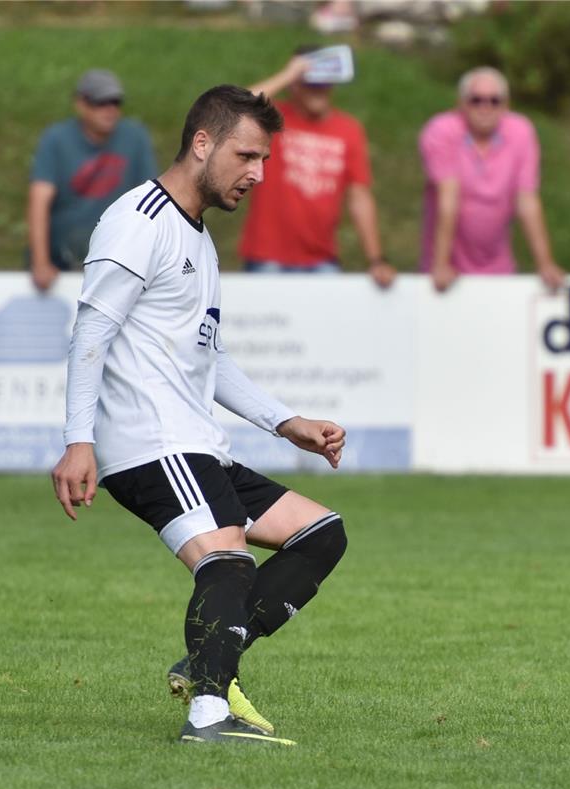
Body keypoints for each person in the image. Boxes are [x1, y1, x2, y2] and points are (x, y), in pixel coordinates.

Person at [50, 85, 348, 746]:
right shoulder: (140, 220)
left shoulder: (199, 239)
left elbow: (208, 357)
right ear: (203, 143)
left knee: (321, 533)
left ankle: (209, 663)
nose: (259, 174)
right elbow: (90, 332)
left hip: (194, 443)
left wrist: (284, 421)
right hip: (152, 442)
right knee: (229, 562)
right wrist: (78, 441)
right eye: (247, 155)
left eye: (264, 159)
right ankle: (208, 715)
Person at [240, 47, 395, 288]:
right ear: (294, 86)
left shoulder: (349, 129)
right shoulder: (274, 118)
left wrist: (376, 259)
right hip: (267, 257)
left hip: (323, 260)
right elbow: (236, 108)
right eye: (307, 82)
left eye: (322, 82)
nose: (317, 90)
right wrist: (289, 74)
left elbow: (359, 196)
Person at [419, 66, 567, 292]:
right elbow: (448, 198)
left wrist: (545, 263)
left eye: (494, 100)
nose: (485, 107)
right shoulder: (441, 131)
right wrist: (440, 264)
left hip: (499, 269)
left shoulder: (522, 132)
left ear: (506, 106)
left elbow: (526, 201)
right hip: (448, 273)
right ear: (461, 104)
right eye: (476, 100)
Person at [28, 69, 157, 291]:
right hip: (61, 260)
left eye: (115, 102)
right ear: (80, 104)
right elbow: (39, 199)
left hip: (119, 260)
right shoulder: (56, 140)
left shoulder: (136, 138)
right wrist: (40, 262)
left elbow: (151, 200)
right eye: (100, 102)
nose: (110, 110)